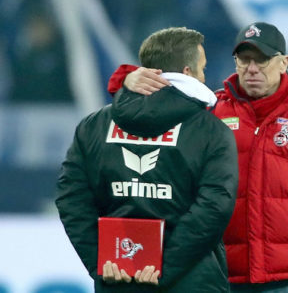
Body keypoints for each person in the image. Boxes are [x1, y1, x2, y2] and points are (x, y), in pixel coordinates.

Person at [107, 22, 288, 293]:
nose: (252, 68)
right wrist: (126, 78)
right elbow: (153, 108)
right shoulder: (210, 111)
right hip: (222, 281)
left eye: (262, 59)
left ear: (284, 63)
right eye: (244, 59)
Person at [56, 27, 239, 292]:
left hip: (117, 276)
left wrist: (100, 260)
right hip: (192, 280)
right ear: (187, 72)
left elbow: (71, 199)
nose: (204, 76)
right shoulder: (212, 131)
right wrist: (162, 267)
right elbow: (214, 208)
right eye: (202, 69)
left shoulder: (93, 126)